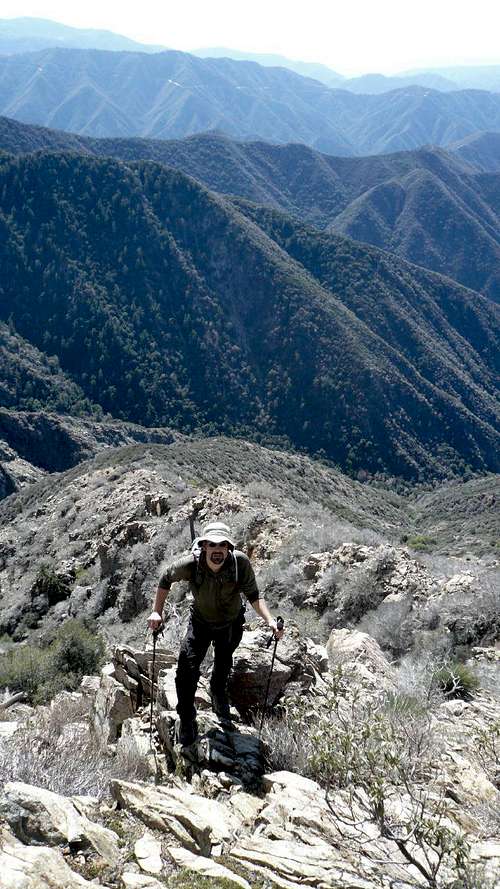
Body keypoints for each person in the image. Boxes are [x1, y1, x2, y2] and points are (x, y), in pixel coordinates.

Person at [148, 520, 284, 746]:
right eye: (212, 545)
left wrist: (270, 620)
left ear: (229, 548)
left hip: (230, 624)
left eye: (222, 545)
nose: (217, 550)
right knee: (186, 671)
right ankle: (187, 719)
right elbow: (165, 579)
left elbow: (254, 596)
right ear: (203, 547)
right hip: (200, 623)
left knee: (223, 662)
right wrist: (156, 612)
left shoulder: (240, 563)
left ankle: (218, 694)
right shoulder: (191, 564)